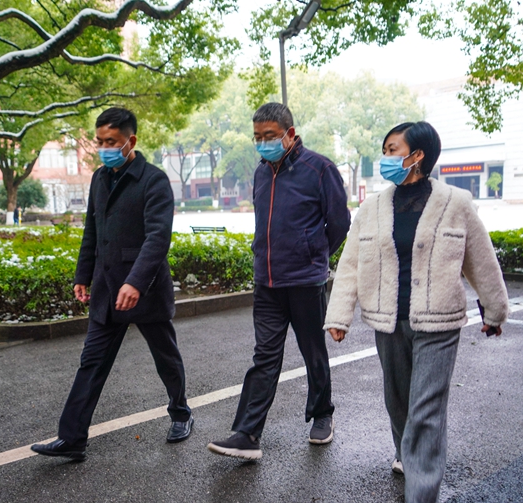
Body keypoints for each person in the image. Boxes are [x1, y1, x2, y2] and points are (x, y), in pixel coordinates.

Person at [323, 121, 510, 503]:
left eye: (393, 149)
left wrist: (495, 309)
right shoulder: (373, 207)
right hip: (389, 321)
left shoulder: (455, 203)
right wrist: (339, 315)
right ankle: (406, 454)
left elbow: (480, 259)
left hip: (438, 322)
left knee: (426, 413)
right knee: (398, 402)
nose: (386, 157)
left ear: (417, 154)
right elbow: (351, 264)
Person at [31, 107, 193, 461]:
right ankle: (72, 438)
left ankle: (181, 413)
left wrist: (135, 282)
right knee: (91, 363)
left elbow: (157, 239)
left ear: (130, 141)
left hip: (145, 290)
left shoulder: (153, 180)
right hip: (106, 291)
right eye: (100, 141)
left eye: (112, 142)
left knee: (166, 358)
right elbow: (92, 231)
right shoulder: (99, 179)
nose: (104, 148)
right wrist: (82, 275)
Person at [207, 102, 350, 460]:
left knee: (313, 352)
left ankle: (322, 413)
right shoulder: (260, 173)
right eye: (257, 137)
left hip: (305, 281)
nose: (262, 143)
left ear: (290, 134)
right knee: (264, 357)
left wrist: (315, 254)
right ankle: (247, 434)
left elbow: (340, 222)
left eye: (269, 136)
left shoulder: (320, 169)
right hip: (267, 283)